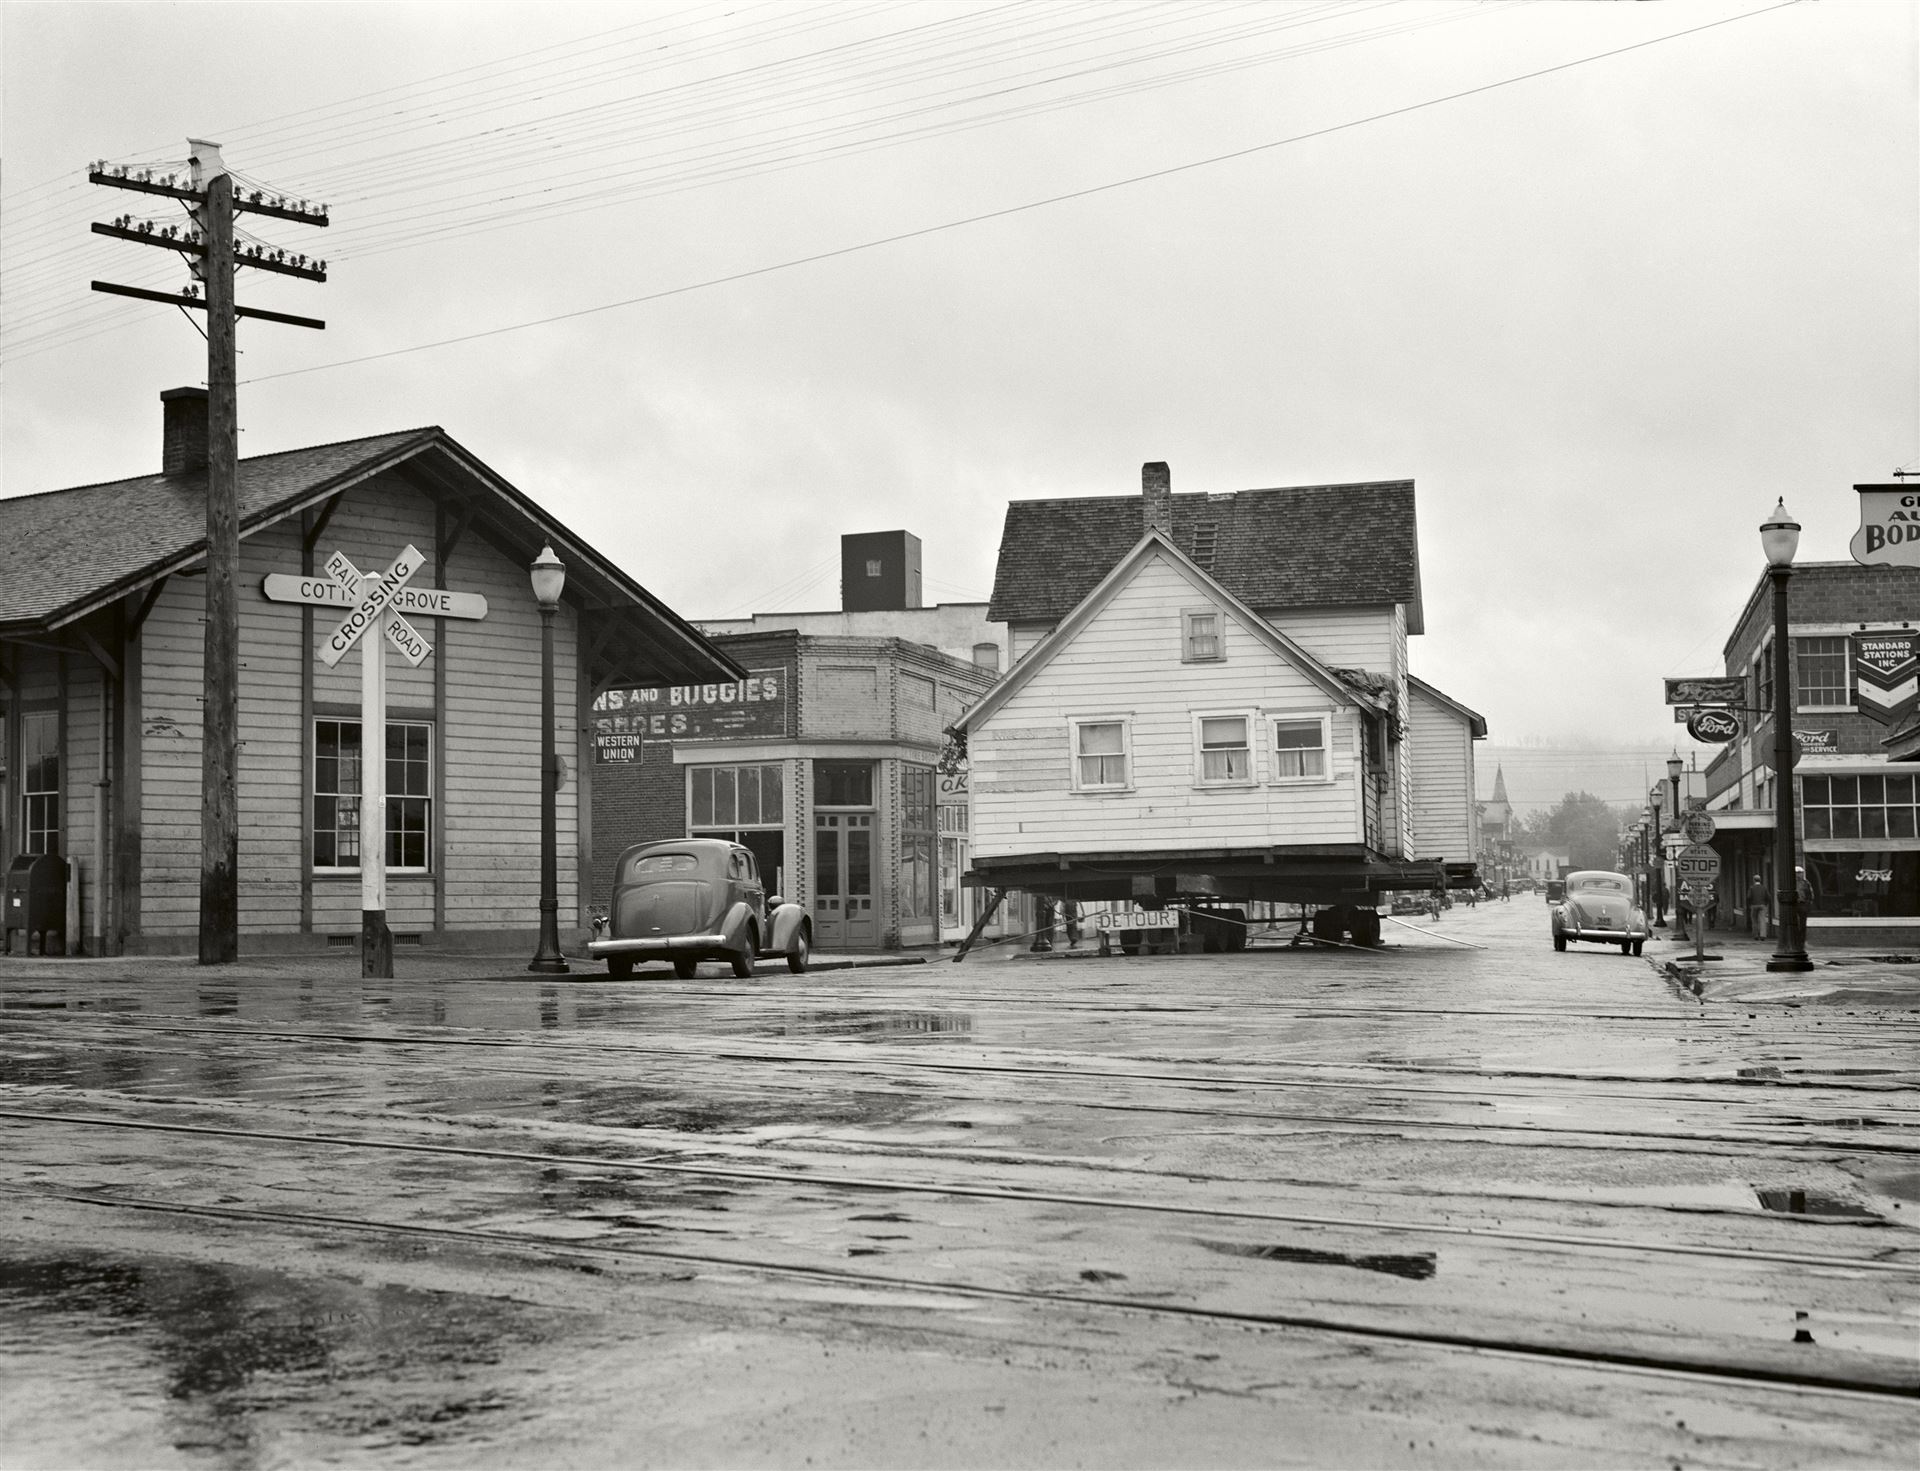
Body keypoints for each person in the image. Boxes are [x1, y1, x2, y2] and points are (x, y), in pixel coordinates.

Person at [1748, 873, 1768, 940]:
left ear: (1754, 880)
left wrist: (1750, 904)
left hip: (1754, 905)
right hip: (1762, 905)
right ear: (1760, 880)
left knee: (1754, 920)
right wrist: (1765, 903)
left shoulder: (1751, 888)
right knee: (1762, 920)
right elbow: (1768, 896)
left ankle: (1755, 935)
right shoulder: (1764, 888)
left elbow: (1749, 897)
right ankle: (1763, 935)